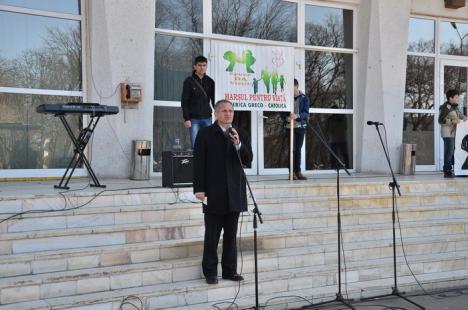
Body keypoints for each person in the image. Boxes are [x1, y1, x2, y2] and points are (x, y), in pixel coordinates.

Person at [193, 99, 253, 285]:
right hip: (213, 191)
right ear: (216, 114)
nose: (228, 114)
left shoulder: (240, 133)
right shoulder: (205, 134)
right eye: (224, 111)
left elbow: (248, 158)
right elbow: (199, 163)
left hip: (234, 191)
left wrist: (238, 145)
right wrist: (199, 189)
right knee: (212, 235)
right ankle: (210, 272)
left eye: (231, 111)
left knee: (231, 235)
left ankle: (229, 270)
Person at [181, 56, 215, 148]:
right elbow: (184, 101)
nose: (202, 67)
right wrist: (186, 118)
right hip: (194, 119)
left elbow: (214, 100)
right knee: (195, 145)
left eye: (204, 65)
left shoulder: (210, 82)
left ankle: (207, 162)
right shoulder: (188, 81)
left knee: (209, 144)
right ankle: (197, 162)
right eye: (199, 65)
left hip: (207, 118)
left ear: (206, 66)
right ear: (194, 66)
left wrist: (218, 114)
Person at [281, 79, 310, 180]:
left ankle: (298, 171)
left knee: (298, 149)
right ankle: (291, 172)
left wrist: (297, 116)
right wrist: (286, 118)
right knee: (291, 150)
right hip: (289, 127)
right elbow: (282, 112)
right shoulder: (286, 98)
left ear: (297, 86)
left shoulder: (304, 98)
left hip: (300, 127)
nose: (291, 91)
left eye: (292, 88)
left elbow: (306, 113)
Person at [439, 89, 466, 178]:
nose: (458, 99)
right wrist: (453, 121)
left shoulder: (455, 107)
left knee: (452, 151)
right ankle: (447, 171)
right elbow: (441, 120)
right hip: (447, 133)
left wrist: (464, 118)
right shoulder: (445, 107)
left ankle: (450, 169)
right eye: (456, 97)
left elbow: (460, 115)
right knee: (449, 151)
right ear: (450, 98)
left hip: (454, 133)